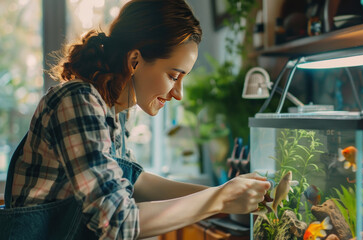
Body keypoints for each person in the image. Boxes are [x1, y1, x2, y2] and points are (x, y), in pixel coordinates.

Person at [0, 0, 271, 239]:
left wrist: (222, 190)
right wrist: (219, 199)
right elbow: (119, 222)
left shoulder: (115, 112)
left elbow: (135, 184)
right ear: (134, 61)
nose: (178, 93)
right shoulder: (77, 101)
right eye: (174, 76)